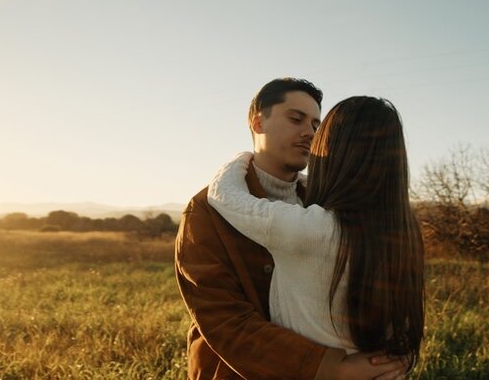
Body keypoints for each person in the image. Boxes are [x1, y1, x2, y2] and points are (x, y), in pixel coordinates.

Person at [175, 79, 409, 380]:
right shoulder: (206, 211)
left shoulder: (326, 205)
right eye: (295, 119)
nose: (309, 132)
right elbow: (223, 319)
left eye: (315, 124)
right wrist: (328, 367)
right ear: (258, 122)